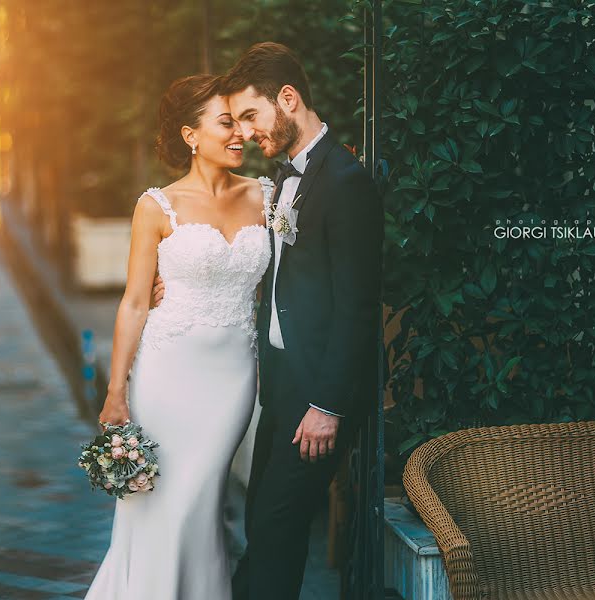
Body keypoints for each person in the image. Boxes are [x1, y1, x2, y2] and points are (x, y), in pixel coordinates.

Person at [154, 42, 382, 600]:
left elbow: (357, 305)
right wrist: (185, 281)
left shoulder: (345, 180)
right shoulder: (282, 180)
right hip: (278, 389)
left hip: (316, 400)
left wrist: (328, 406)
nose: (248, 132)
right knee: (264, 527)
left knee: (277, 531)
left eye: (252, 116)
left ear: (288, 99)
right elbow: (279, 272)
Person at [84, 73, 274, 600]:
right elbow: (136, 301)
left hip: (234, 378)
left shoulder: (269, 198)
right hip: (167, 373)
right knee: (162, 502)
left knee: (200, 496)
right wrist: (116, 391)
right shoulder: (156, 206)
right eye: (226, 122)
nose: (240, 133)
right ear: (192, 135)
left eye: (242, 122)